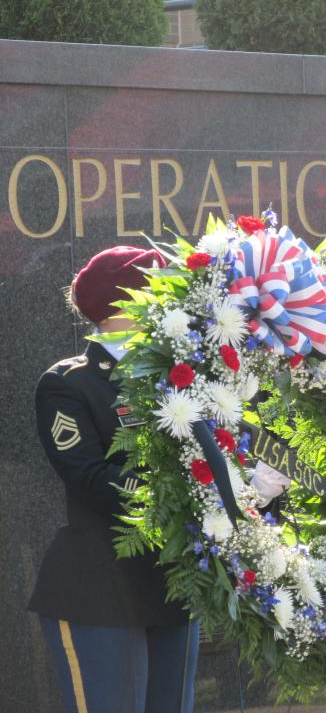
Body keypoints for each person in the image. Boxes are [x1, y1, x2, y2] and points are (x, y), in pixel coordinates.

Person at [30, 246, 199, 712]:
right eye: (158, 290)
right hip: (99, 591)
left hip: (172, 586)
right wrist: (183, 496)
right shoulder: (69, 382)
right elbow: (89, 476)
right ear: (124, 303)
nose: (170, 302)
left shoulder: (183, 375)